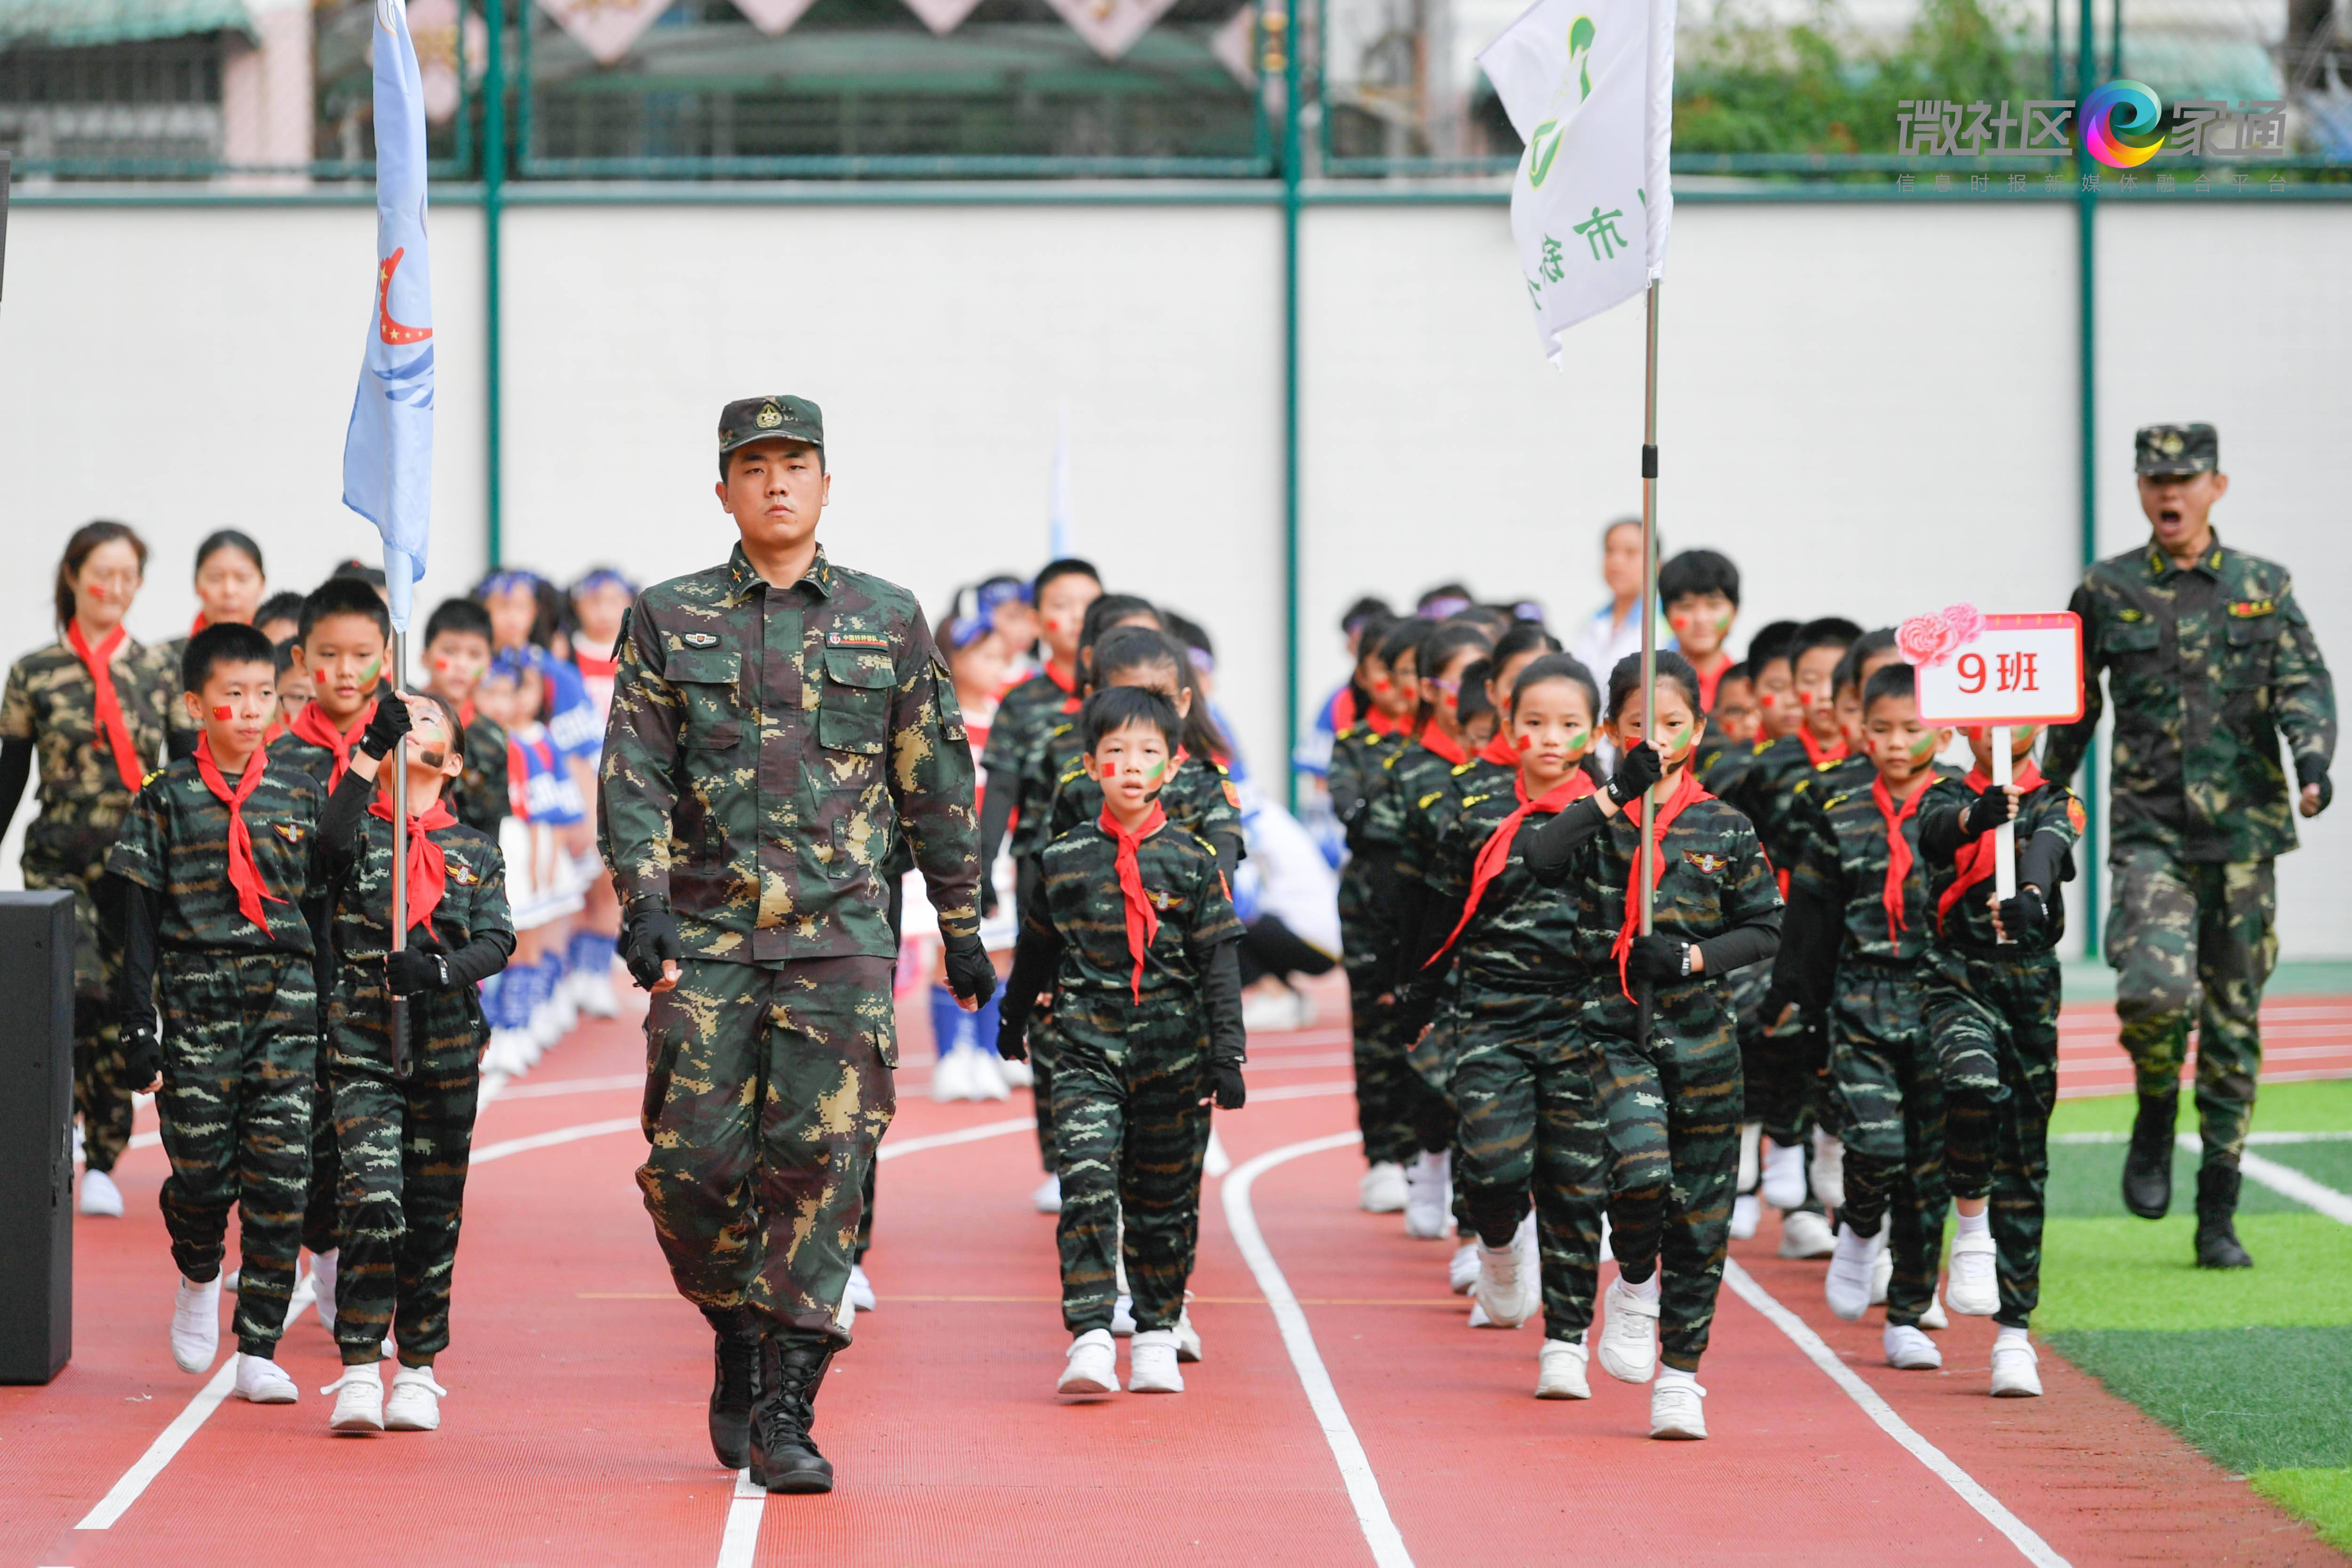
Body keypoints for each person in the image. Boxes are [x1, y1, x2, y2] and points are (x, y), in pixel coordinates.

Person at [599, 394, 989, 1495]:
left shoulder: (889, 617)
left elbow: (937, 783)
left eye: (796, 462)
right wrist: (644, 896)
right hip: (710, 941)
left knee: (824, 1173)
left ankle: (787, 1406)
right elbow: (633, 771)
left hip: (842, 942)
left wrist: (961, 930)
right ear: (723, 488)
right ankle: (735, 1325)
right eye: (753, 464)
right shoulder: (668, 617)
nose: (776, 481)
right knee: (691, 1172)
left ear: (826, 484)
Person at [2042, 423, 2335, 1269]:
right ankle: (2153, 1104)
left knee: (2236, 1022)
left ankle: (2219, 1206)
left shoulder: (2261, 585)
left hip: (2245, 836)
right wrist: (2039, 789)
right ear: (2140, 489)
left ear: (2217, 485)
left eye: (2184, 478)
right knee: (2156, 991)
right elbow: (2072, 700)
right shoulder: (2108, 587)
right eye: (2154, 479)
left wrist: (2314, 764)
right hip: (2151, 833)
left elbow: (2303, 685)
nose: (2168, 493)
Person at [1524, 650, 1781, 1440]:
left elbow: (1765, 926)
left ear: (1699, 730)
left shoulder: (1724, 824)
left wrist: (1694, 957)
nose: (1658, 738)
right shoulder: (1596, 811)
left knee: (1701, 1216)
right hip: (1610, 1033)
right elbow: (1539, 856)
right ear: (1611, 730)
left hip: (1703, 1040)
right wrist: (1614, 790)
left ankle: (1681, 1375)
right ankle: (1633, 1276)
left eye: (1672, 725)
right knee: (1640, 1172)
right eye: (1640, 724)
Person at [997, 685, 1247, 1398]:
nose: (1132, 766)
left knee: (1165, 1201)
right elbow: (1037, 948)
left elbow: (1220, 964)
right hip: (1085, 1049)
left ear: (1171, 767)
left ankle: (1159, 1333)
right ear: (1090, 766)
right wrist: (1013, 1019)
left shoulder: (1195, 863)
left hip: (1175, 1056)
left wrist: (1228, 1053)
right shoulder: (1064, 859)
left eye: (1148, 753)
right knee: (1087, 1183)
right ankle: (1091, 1335)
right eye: (1116, 753)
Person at [105, 622, 326, 1401]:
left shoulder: (302, 787)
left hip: (285, 996)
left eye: (265, 694)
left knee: (280, 1172)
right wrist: (137, 1020)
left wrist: (330, 1009)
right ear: (196, 702)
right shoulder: (165, 798)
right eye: (233, 695)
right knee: (201, 1171)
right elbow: (134, 911)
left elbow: (324, 901)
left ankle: (259, 1341)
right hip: (197, 992)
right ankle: (199, 1269)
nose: (251, 709)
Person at [313, 692, 515, 1434]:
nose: (415, 720)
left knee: (433, 1214)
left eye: (430, 717)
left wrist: (437, 974)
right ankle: (360, 1364)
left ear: (453, 759)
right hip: (364, 1041)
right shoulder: (360, 832)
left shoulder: (477, 849)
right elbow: (325, 848)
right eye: (407, 714)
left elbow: (498, 940)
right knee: (372, 1196)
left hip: (448, 1043)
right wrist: (370, 749)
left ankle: (420, 1368)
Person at [1413, 653, 1608, 1395]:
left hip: (1581, 1021)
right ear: (1508, 729)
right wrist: (1419, 996)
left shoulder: (1621, 819)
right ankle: (1497, 1246)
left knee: (1573, 1184)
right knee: (1493, 1166)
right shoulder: (1477, 813)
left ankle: (1565, 1338)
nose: (1550, 738)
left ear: (1594, 733)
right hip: (1492, 1012)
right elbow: (1437, 915)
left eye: (1567, 725)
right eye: (1534, 723)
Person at [1770, 663, 1961, 1370]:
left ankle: (1909, 1309)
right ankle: (1857, 1229)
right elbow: (1811, 915)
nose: (1895, 742)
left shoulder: (1966, 803)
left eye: (1912, 729)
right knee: (1877, 1149)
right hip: (1860, 1001)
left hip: (1942, 1001)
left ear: (1942, 731)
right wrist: (1804, 1006)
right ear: (1861, 730)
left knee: (1928, 1168)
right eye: (1880, 728)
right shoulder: (1838, 805)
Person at [0, 520, 175, 1218]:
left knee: (119, 1005)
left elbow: (186, 768)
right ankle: (58, 1131)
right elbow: (11, 774)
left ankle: (103, 1155)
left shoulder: (160, 670)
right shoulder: (34, 672)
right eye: (102, 571)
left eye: (129, 573)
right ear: (73, 575)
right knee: (69, 992)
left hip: (132, 865)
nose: (115, 586)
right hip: (57, 864)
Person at [1917, 722, 2082, 1397]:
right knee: (1971, 1085)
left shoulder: (2058, 798)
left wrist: (2033, 898)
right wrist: (1974, 816)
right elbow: (1934, 834)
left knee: (2025, 1156)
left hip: (2031, 987)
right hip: (1956, 975)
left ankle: (2014, 1333)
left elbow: (2050, 847)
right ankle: (1972, 1225)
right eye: (1979, 721)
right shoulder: (1944, 791)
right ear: (1961, 726)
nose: (1997, 732)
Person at [271, 576, 394, 1322]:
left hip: (387, 976)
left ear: (387, 655)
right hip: (305, 969)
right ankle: (317, 1247)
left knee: (378, 1144)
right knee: (305, 1129)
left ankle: (363, 1275)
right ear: (300, 658)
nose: (345, 672)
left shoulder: (415, 745)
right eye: (327, 656)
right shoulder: (281, 761)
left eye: (362, 655)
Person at [1363, 619, 1495, 1240]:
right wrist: (1403, 965)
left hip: (1502, 954)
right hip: (1433, 940)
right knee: (1429, 1066)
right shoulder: (1412, 769)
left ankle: (1478, 1227)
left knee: (1489, 1084)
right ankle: (1432, 1164)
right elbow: (1401, 878)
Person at [1333, 615, 1419, 1214]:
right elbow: (1358, 819)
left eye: (1410, 670)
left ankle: (1425, 1150)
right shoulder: (1355, 746)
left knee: (1427, 1025)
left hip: (1430, 905)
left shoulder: (1445, 748)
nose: (1396, 682)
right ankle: (1383, 1154)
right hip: (1370, 909)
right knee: (1375, 1034)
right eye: (1383, 669)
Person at [976, 557, 1102, 910]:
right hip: (1041, 866)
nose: (1079, 616)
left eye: (1090, 606)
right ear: (1036, 621)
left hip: (1116, 863)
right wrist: (982, 870)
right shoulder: (1021, 703)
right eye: (1062, 606)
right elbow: (1001, 788)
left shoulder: (1121, 697)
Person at [153, 530, 269, 758]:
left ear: (262, 585)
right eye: (216, 578)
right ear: (197, 584)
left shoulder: (282, 657)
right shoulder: (164, 659)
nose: (229, 591)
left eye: (242, 578)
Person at [421, 597, 509, 837]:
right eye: (450, 652)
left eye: (474, 655)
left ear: (489, 664)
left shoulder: (492, 738)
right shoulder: (403, 718)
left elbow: (491, 826)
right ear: (425, 657)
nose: (461, 665)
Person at [1571, 520, 1668, 689]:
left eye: (1630, 553)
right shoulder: (1593, 623)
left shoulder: (1666, 623)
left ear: (1657, 565)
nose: (1617, 562)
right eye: (1610, 551)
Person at [1660, 550, 1740, 714]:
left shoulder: (1749, 688)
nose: (1701, 619)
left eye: (1714, 605)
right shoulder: (1650, 689)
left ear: (1734, 612)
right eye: (1686, 607)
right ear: (1667, 616)